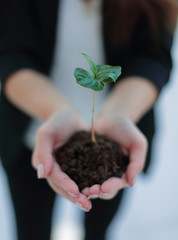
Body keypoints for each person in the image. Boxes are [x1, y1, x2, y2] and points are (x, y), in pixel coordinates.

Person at [0, 0, 177, 240]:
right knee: (31, 230)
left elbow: (153, 56)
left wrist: (119, 113)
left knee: (99, 228)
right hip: (31, 134)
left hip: (117, 136)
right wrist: (56, 111)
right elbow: (11, 54)